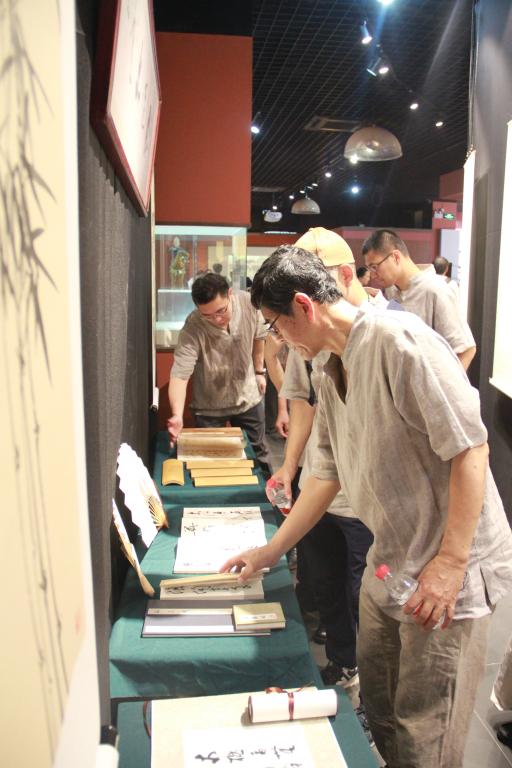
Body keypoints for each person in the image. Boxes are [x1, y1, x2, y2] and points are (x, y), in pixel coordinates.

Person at [222, 246, 512, 768]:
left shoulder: (400, 341)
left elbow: (471, 449)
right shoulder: (326, 366)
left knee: (426, 734)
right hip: (391, 560)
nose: (279, 340)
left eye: (278, 326)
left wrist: (451, 563)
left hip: (448, 570)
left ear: (304, 306)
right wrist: (271, 551)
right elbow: (324, 474)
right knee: (382, 711)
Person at [270, 228, 373, 693]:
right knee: (327, 585)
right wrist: (291, 467)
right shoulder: (310, 343)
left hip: (368, 503)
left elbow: (465, 447)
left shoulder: (391, 337)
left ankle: (366, 679)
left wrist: (450, 556)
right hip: (323, 489)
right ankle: (344, 665)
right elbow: (305, 407)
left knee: (363, 595)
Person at [167, 272, 270, 468]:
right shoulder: (193, 326)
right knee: (210, 463)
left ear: (230, 294)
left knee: (259, 455)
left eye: (221, 311)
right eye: (207, 315)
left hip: (248, 396)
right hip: (209, 405)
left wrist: (259, 372)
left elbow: (259, 336)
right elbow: (180, 374)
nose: (217, 319)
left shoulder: (249, 304)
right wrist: (177, 414)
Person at [363, 229, 475, 370]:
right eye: (369, 269)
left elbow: (465, 349)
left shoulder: (436, 289)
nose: (373, 275)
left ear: (395, 257)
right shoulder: (391, 290)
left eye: (374, 267)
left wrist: (441, 383)